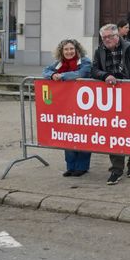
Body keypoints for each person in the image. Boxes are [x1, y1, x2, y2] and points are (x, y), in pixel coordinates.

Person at [91, 23, 130, 184]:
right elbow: (93, 70)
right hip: (113, 100)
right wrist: (105, 75)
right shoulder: (99, 51)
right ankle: (116, 169)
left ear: (117, 36)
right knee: (115, 133)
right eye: (104, 37)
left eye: (110, 36)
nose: (107, 40)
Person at [43, 39, 93, 177]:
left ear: (77, 50)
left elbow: (80, 74)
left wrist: (62, 76)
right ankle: (70, 166)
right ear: (61, 51)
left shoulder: (85, 62)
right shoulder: (59, 64)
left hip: (83, 106)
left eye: (71, 49)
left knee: (82, 135)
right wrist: (52, 75)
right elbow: (45, 71)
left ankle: (82, 167)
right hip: (65, 106)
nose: (69, 52)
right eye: (66, 49)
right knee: (68, 136)